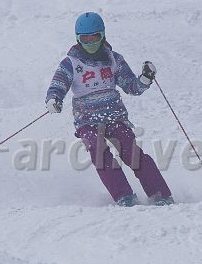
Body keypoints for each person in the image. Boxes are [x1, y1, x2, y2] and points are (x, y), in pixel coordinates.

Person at [45, 12, 174, 207]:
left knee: (131, 152)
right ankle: (124, 196)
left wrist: (145, 79)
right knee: (98, 151)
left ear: (103, 35)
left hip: (114, 115)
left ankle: (160, 195)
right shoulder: (70, 63)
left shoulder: (114, 59)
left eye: (94, 37)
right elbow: (58, 84)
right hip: (87, 119)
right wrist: (54, 99)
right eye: (85, 39)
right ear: (78, 38)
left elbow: (131, 86)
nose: (90, 43)